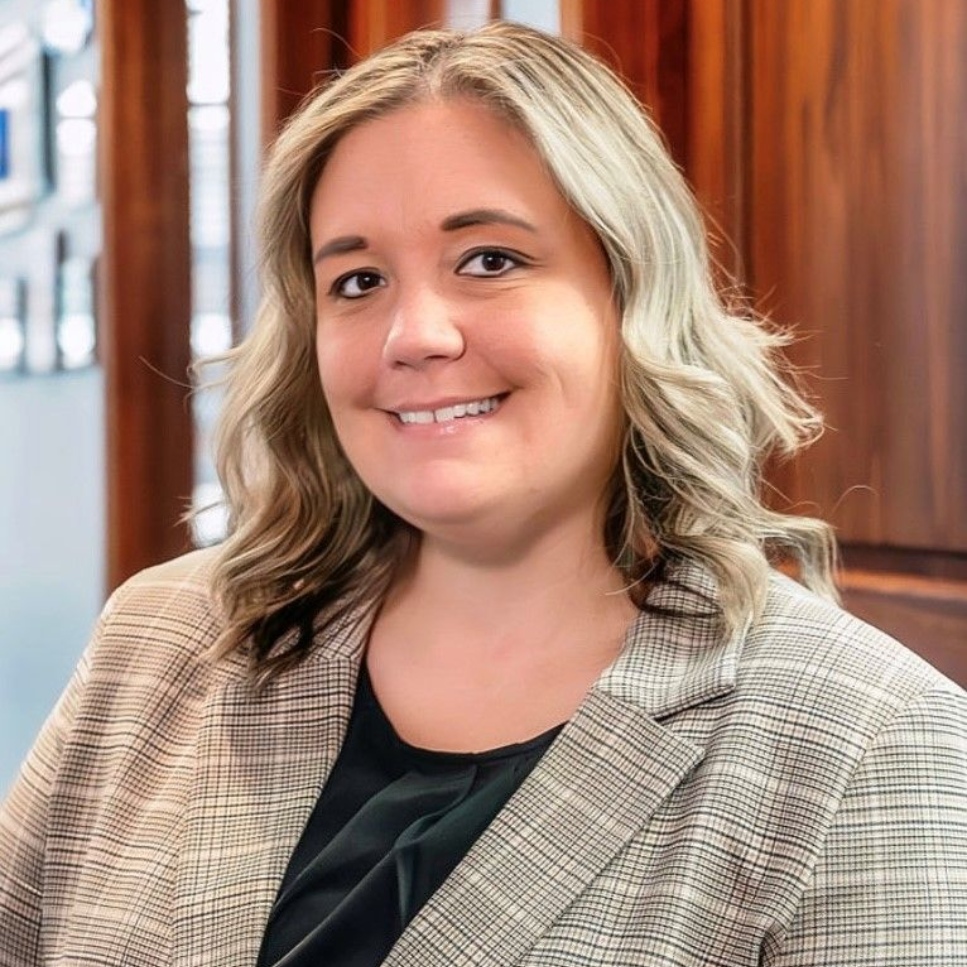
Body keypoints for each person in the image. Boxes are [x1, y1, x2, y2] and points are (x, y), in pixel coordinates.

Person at [2, 19, 965, 967]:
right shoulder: (162, 637)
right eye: (358, 279)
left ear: (633, 294)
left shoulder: (867, 742)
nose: (412, 333)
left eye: (490, 261)